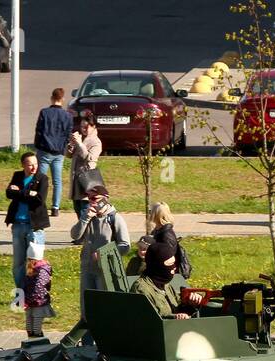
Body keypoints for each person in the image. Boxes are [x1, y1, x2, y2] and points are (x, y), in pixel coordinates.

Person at [70, 185, 129, 317]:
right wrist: (85, 218)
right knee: (87, 309)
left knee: (103, 308)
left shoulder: (115, 219)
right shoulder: (88, 217)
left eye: (95, 198)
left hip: (105, 271)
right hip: (87, 269)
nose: (91, 201)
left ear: (105, 199)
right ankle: (87, 337)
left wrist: (103, 254)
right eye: (89, 199)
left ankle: (104, 336)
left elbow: (125, 246)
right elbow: (75, 235)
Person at [5, 152, 50, 292]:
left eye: (36, 164)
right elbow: (8, 193)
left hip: (34, 227)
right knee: (18, 263)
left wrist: (19, 193)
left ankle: (34, 293)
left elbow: (39, 200)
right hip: (18, 225)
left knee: (34, 263)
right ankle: (21, 293)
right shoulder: (17, 176)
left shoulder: (42, 179)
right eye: (30, 164)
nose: (33, 167)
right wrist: (29, 193)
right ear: (23, 165)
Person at [34, 87, 72, 218]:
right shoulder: (67, 115)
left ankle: (39, 205)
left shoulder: (44, 112)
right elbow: (68, 134)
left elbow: (39, 131)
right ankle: (55, 207)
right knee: (57, 181)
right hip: (59, 152)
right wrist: (63, 147)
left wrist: (37, 146)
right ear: (62, 99)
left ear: (52, 98)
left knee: (41, 180)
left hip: (44, 150)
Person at [133, 240, 193, 320]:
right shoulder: (141, 289)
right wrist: (174, 317)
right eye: (169, 264)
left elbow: (178, 306)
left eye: (174, 263)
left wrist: (191, 302)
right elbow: (148, 318)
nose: (174, 268)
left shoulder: (165, 284)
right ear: (157, 265)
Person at [66, 111, 101, 219]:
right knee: (78, 211)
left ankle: (87, 235)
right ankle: (83, 235)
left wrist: (80, 144)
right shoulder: (81, 138)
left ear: (93, 126)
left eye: (86, 127)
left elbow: (90, 158)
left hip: (87, 183)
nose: (83, 129)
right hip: (76, 181)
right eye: (81, 127)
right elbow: (68, 155)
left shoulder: (96, 142)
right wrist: (71, 144)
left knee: (85, 214)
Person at [149, 202, 190, 279]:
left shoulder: (166, 235)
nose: (149, 214)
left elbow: (168, 256)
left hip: (164, 273)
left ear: (157, 215)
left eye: (151, 211)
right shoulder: (158, 231)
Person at [22, 242, 54, 338]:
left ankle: (32, 334)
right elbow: (42, 285)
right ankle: (36, 335)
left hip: (30, 299)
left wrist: (26, 298)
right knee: (36, 318)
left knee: (30, 318)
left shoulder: (34, 269)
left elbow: (28, 285)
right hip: (39, 300)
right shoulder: (43, 269)